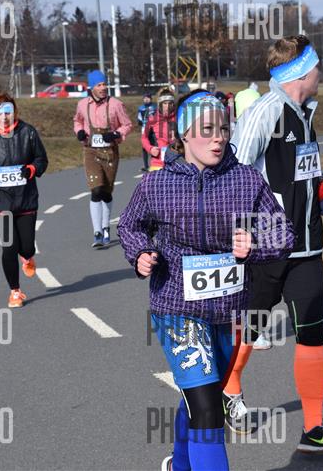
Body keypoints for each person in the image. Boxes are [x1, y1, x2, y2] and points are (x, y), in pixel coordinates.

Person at [118, 90, 294, 471]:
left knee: (205, 397)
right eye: (207, 129)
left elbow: (284, 233)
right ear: (184, 134)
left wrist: (255, 244)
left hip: (230, 312)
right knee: (208, 410)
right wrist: (141, 253)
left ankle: (180, 465)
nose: (219, 138)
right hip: (178, 309)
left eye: (224, 129)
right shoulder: (156, 185)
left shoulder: (246, 180)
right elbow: (130, 226)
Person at [228, 35, 323, 454]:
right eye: (317, 66)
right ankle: (228, 392)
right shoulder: (265, 112)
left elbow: (303, 183)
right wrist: (241, 231)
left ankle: (313, 430)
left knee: (312, 335)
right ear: (301, 72)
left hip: (307, 249)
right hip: (267, 248)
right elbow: (233, 175)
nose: (321, 72)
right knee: (249, 325)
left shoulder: (306, 116)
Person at [0, 93, 48, 308]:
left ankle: (28, 257)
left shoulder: (28, 132)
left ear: (14, 112)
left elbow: (41, 159)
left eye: (7, 112)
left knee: (26, 246)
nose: (4, 117)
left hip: (26, 200)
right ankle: (15, 291)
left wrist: (31, 169)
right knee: (9, 247)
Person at [73, 70, 132, 249]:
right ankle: (97, 231)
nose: (103, 87)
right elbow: (77, 121)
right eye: (99, 85)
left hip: (110, 152)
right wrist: (79, 131)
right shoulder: (82, 104)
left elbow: (127, 125)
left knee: (106, 192)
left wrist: (116, 134)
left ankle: (106, 227)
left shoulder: (116, 104)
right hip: (90, 151)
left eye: (105, 84)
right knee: (96, 190)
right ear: (92, 87)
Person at [141, 88, 175, 171]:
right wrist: (150, 148)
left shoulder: (179, 118)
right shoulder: (153, 118)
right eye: (165, 103)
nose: (167, 107)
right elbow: (144, 138)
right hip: (158, 163)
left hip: (176, 162)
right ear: (160, 104)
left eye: (170, 103)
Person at [138, 92, 157, 171]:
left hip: (154, 128)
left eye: (148, 98)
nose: (146, 99)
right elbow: (139, 119)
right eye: (145, 98)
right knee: (144, 147)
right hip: (145, 128)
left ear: (151, 99)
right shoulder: (141, 108)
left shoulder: (155, 107)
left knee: (155, 145)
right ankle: (146, 165)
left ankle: (155, 163)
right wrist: (142, 123)